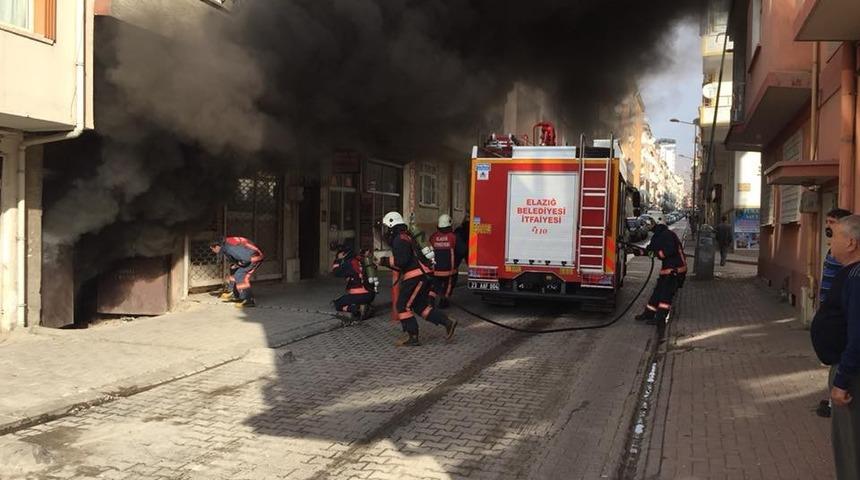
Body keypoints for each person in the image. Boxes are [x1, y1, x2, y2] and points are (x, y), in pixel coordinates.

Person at [810, 214, 860, 479]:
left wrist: (841, 382)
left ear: (851, 242)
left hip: (851, 376)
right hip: (848, 369)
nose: (831, 244)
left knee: (849, 446)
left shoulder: (856, 276)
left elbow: (858, 333)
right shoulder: (851, 273)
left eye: (836, 237)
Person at [378, 211, 458, 347]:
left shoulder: (399, 239)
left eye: (387, 227)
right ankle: (447, 322)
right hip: (422, 275)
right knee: (420, 306)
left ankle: (413, 336)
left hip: (415, 277)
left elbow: (402, 261)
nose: (386, 231)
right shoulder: (406, 236)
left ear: (392, 225)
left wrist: (384, 261)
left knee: (402, 305)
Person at [817, 208, 852, 418]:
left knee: (841, 359)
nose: (828, 226)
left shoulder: (848, 255)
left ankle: (835, 398)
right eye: (827, 221)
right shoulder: (834, 248)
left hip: (841, 316)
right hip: (830, 310)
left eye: (832, 222)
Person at [629, 217, 687, 329]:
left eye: (649, 225)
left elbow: (670, 250)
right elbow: (650, 250)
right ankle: (648, 314)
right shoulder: (657, 236)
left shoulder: (667, 235)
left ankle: (660, 319)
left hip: (676, 270)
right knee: (657, 292)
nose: (647, 228)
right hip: (667, 269)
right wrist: (639, 252)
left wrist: (658, 254)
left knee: (665, 295)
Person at [211, 236, 264, 308]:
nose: (212, 251)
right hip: (249, 256)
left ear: (217, 247)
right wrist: (236, 265)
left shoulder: (230, 248)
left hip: (254, 258)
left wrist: (239, 264)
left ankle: (248, 300)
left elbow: (246, 259)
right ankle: (234, 294)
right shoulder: (226, 246)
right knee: (233, 268)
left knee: (240, 274)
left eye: (212, 249)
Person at [330, 245, 375, 324]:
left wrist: (338, 260)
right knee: (350, 298)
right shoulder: (361, 260)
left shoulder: (349, 263)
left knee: (338, 304)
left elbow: (335, 272)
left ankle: (357, 309)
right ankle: (364, 305)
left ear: (343, 254)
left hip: (359, 295)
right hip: (371, 294)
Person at [429, 214, 458, 308]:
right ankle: (443, 302)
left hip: (436, 269)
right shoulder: (453, 237)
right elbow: (460, 250)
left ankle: (430, 300)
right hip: (449, 270)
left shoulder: (433, 237)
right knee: (448, 285)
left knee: (434, 285)